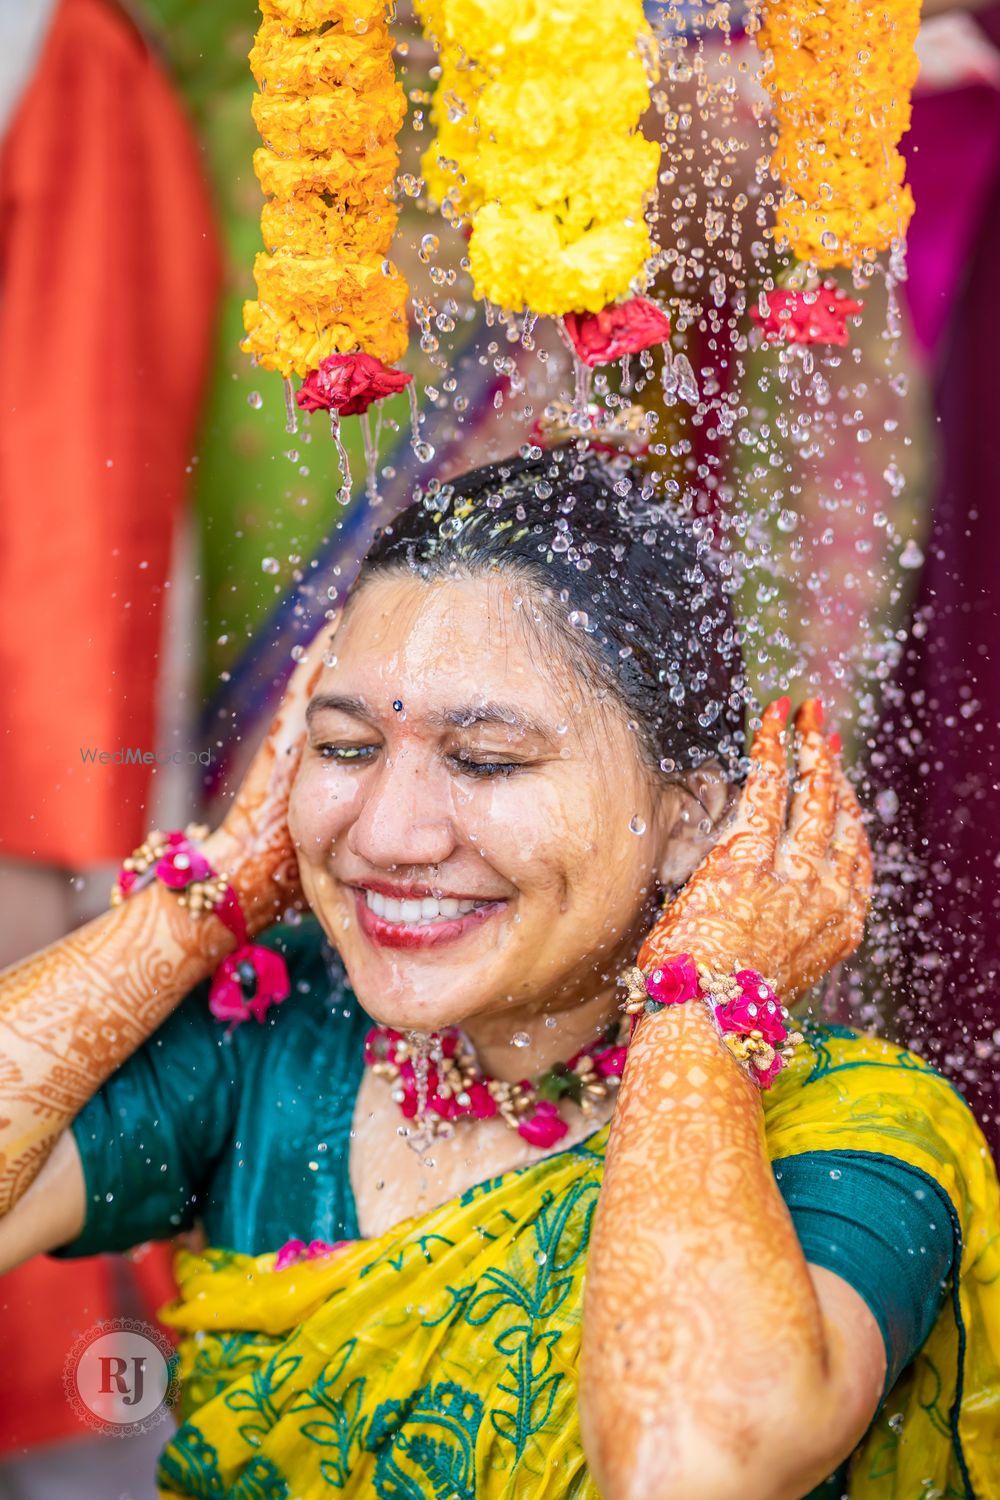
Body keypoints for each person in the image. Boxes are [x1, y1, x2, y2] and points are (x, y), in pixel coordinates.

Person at [1, 446, 998, 1500]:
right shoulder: (276, 1036)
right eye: (343, 749)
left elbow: (689, 1466)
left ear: (688, 821)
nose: (386, 833)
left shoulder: (854, 1134)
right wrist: (214, 893)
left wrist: (693, 1002)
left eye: (484, 762)